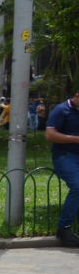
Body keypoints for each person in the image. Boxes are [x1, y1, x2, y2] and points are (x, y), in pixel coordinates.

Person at [46, 89, 79, 247]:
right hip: (65, 156)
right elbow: (50, 135)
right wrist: (75, 139)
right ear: (77, 96)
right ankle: (64, 228)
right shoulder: (61, 110)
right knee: (78, 187)